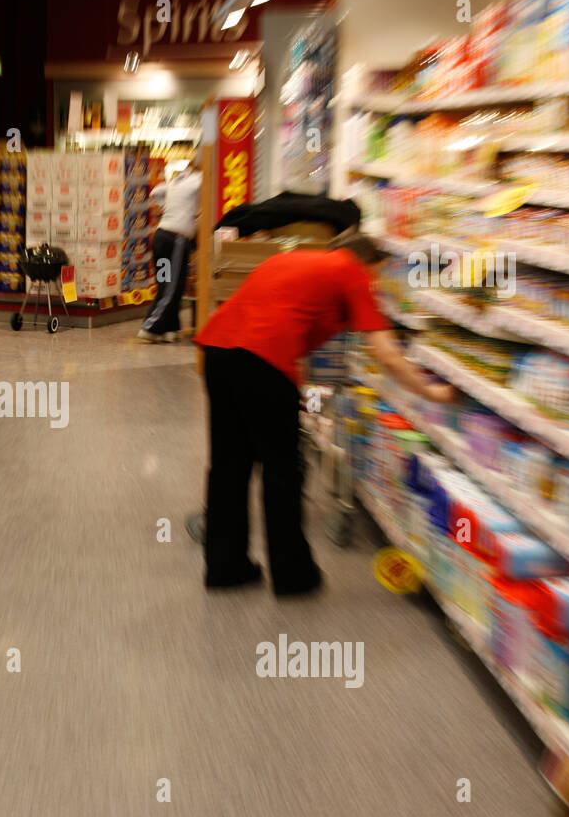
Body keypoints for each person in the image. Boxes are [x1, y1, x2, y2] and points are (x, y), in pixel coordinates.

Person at [194, 232, 455, 596]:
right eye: (377, 277)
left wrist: (306, 402)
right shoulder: (353, 272)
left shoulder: (297, 260)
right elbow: (387, 353)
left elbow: (296, 335)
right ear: (369, 263)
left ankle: (225, 568)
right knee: (282, 470)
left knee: (228, 466)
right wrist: (432, 392)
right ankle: (293, 577)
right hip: (264, 362)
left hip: (217, 351)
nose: (375, 286)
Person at [138, 165, 202, 343]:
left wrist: (165, 207)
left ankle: (169, 328)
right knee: (173, 287)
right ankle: (150, 327)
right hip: (176, 240)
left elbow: (156, 191)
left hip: (161, 236)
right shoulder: (198, 180)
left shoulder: (176, 181)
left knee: (165, 283)